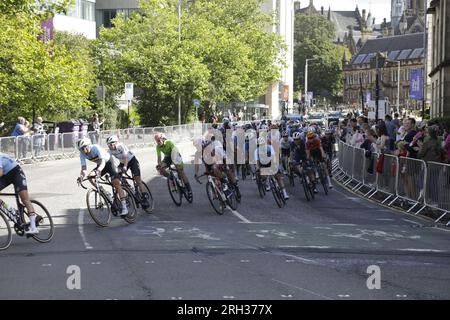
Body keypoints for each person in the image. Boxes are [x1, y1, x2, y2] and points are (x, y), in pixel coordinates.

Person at [77, 137, 129, 216]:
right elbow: (84, 168)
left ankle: (125, 207)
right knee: (90, 177)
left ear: (88, 146)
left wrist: (98, 171)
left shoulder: (95, 148)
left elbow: (102, 162)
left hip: (108, 163)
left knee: (116, 183)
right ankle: (104, 192)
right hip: (100, 165)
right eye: (80, 149)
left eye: (83, 148)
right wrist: (81, 176)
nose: (82, 151)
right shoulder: (82, 154)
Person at [106, 135, 150, 209]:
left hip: (132, 161)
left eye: (111, 143)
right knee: (117, 178)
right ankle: (127, 190)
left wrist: (125, 167)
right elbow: (109, 161)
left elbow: (126, 157)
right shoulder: (110, 150)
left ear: (116, 142)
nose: (110, 146)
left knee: (137, 178)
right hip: (122, 163)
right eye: (108, 144)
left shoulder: (121, 146)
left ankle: (144, 196)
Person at [0, 152, 39, 234]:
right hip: (6, 176)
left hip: (16, 173)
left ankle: (33, 227)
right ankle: (12, 211)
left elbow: (0, 172)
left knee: (25, 199)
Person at [154, 133, 192, 199]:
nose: (158, 142)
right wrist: (160, 165)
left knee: (181, 172)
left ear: (162, 139)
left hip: (175, 154)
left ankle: (189, 190)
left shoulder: (169, 142)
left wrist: (176, 164)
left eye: (159, 140)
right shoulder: (157, 147)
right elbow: (159, 158)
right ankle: (171, 178)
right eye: (157, 141)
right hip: (168, 157)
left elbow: (174, 152)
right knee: (161, 169)